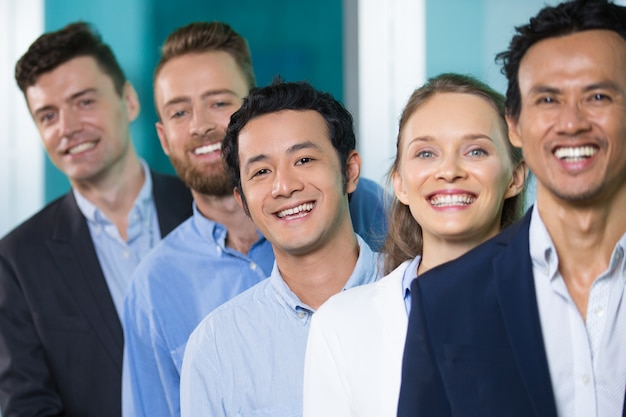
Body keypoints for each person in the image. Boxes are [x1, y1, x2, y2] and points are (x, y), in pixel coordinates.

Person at [122, 22, 388, 417]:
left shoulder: (371, 209)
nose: (200, 125)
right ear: (162, 137)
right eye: (180, 111)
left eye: (218, 102)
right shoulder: (160, 292)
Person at [397, 1, 626, 416]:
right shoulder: (443, 301)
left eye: (597, 95)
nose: (571, 123)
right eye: (547, 100)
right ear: (516, 126)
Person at [302, 73, 526, 417]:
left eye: (476, 150)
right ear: (400, 184)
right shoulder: (339, 325)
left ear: (515, 176)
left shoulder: (559, 306)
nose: (449, 170)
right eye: (426, 153)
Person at [0, 22, 192, 417]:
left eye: (84, 101)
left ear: (130, 100)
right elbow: (27, 406)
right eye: (48, 115)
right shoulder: (18, 260)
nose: (68, 128)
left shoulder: (202, 208)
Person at [179, 80, 382, 417]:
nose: (284, 186)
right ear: (242, 201)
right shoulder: (215, 347)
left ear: (349, 171)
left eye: (303, 159)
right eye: (260, 171)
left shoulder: (418, 295)